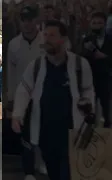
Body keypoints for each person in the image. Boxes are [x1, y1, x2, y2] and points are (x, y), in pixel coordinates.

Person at [12, 20, 94, 180]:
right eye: (45, 35)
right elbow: (24, 90)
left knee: (67, 171)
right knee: (53, 169)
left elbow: (88, 90)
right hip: (45, 131)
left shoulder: (79, 64)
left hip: (71, 130)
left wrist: (89, 115)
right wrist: (17, 114)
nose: (47, 39)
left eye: (52, 35)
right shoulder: (35, 66)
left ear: (63, 39)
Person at [6, 6, 47, 178]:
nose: (28, 24)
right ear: (20, 22)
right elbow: (11, 72)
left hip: (44, 94)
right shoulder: (14, 44)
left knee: (44, 131)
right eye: (24, 20)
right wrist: (11, 98)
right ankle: (29, 170)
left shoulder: (46, 40)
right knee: (26, 135)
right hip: (23, 96)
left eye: (31, 20)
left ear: (36, 21)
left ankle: (43, 162)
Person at [82, 12, 112, 128]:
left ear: (105, 24)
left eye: (100, 23)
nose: (97, 25)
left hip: (106, 78)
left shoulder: (110, 39)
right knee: (90, 109)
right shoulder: (86, 40)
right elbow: (81, 58)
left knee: (106, 109)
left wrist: (104, 57)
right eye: (94, 23)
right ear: (90, 25)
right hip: (90, 79)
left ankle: (107, 134)